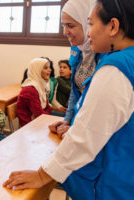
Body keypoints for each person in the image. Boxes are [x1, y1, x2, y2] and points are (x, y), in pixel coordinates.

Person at [4, 0, 134, 199]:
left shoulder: (116, 69)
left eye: (91, 24)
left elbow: (84, 139)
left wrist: (42, 175)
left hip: (114, 185)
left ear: (112, 26)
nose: (89, 32)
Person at [49, 0, 102, 136]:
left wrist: (78, 129)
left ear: (87, 24)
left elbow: (99, 104)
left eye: (70, 25)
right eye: (63, 25)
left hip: (94, 130)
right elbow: (76, 89)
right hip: (80, 123)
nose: (65, 32)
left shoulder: (105, 52)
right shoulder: (78, 47)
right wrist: (68, 120)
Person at [16, 58, 52, 127]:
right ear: (37, 71)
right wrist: (47, 111)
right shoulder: (30, 89)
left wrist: (47, 111)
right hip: (30, 127)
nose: (50, 70)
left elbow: (47, 107)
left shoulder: (40, 85)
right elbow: (40, 115)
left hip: (39, 121)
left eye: (49, 67)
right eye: (45, 68)